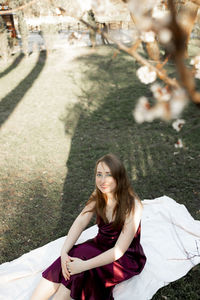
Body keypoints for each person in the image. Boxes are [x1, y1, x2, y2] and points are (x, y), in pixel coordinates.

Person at [30, 153, 146, 300]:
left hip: (124, 259)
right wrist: (64, 252)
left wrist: (84, 266)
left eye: (108, 175)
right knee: (69, 259)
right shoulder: (99, 194)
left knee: (81, 269)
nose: (102, 180)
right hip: (99, 245)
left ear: (119, 177)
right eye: (99, 174)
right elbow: (81, 220)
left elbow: (118, 251)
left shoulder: (133, 206)